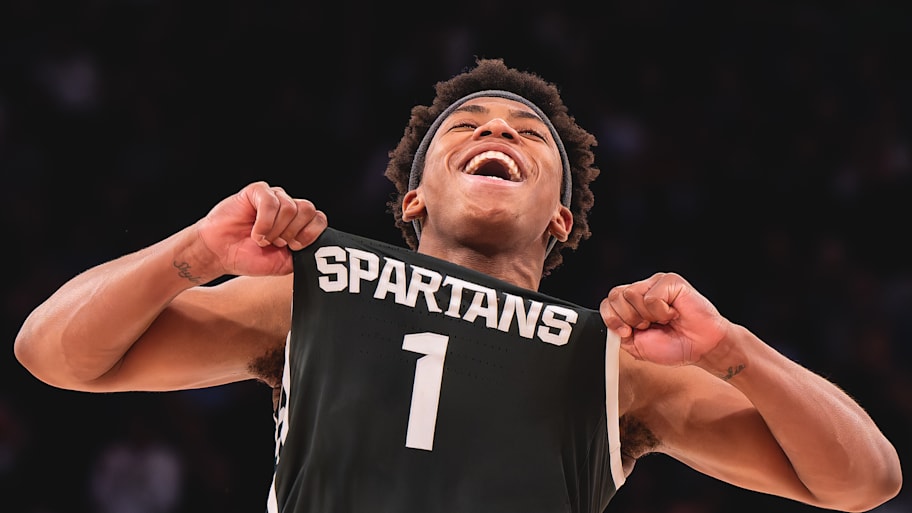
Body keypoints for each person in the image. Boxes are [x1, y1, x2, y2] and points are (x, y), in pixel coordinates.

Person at [14, 58, 902, 513]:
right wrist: (195, 251)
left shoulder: (612, 363)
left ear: (560, 217)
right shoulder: (312, 296)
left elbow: (864, 481)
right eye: (468, 124)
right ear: (412, 198)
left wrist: (732, 351)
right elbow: (52, 352)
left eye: (529, 133)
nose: (500, 131)